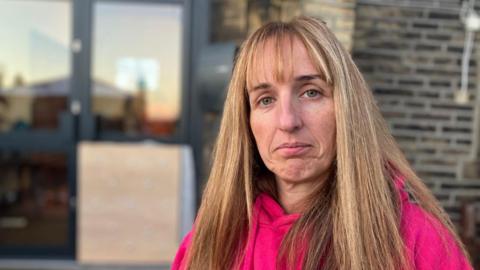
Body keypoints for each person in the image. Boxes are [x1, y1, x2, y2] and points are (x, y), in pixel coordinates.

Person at [172, 16, 473, 270]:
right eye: (265, 100)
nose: (288, 121)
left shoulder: (416, 240)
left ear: (347, 108)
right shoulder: (214, 239)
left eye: (311, 92)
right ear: (246, 123)